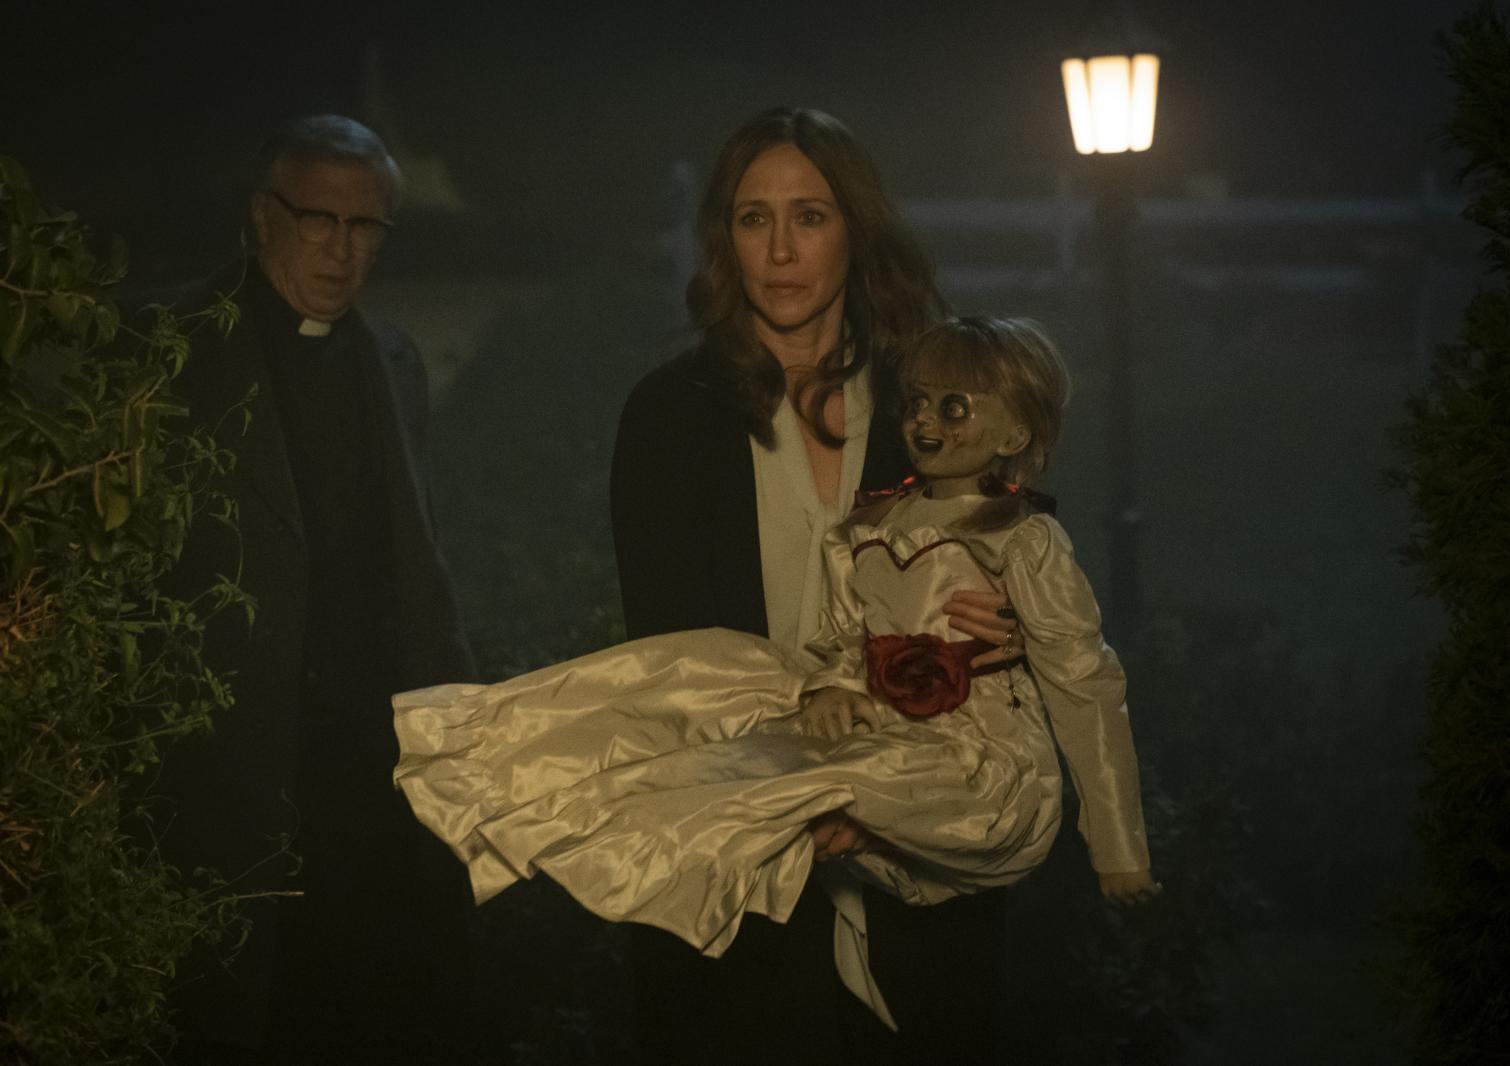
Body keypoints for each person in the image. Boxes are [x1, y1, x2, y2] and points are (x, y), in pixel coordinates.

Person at [394, 317, 1158, 1061]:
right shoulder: (872, 527)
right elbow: (842, 634)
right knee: (730, 671)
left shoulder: (1022, 539)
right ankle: (532, 771)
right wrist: (833, 684)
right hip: (890, 743)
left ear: (1014, 432)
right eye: (919, 403)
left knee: (824, 778)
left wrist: (1118, 844)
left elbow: (1084, 681)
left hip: (982, 769)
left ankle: (765, 812)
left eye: (952, 408)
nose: (926, 421)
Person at [606, 106, 1018, 1063]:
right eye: (755, 218)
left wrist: (1009, 632)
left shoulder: (940, 404)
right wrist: (812, 790)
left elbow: (1000, 608)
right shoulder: (669, 415)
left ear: (856, 230)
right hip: (736, 859)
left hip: (921, 857)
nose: (782, 250)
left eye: (811, 216)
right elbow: (676, 657)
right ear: (726, 240)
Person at [143, 114, 476, 1066]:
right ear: (264, 215)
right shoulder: (167, 348)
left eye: (365, 225)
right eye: (318, 219)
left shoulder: (395, 360)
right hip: (235, 771)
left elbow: (419, 560)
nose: (340, 248)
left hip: (373, 778)